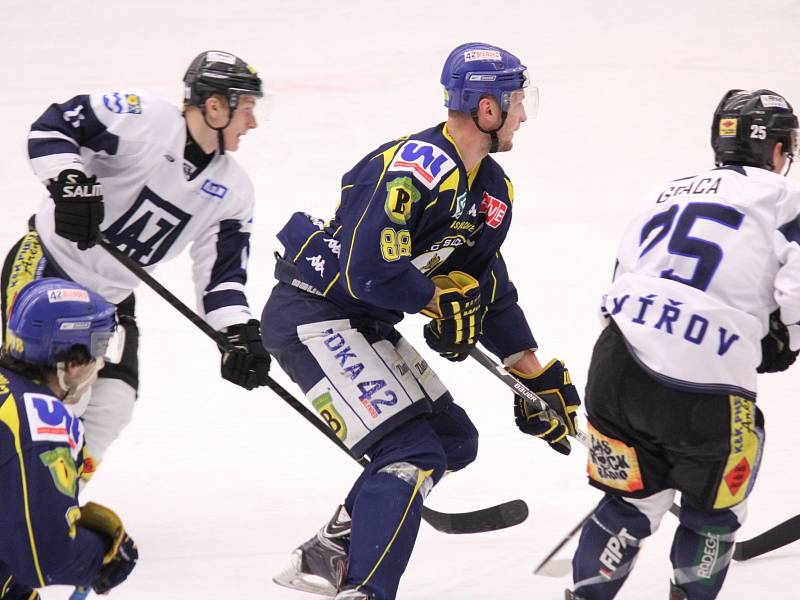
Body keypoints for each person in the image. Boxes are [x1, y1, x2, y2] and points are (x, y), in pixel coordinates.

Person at [262, 42, 581, 600]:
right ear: (487, 109)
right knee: (410, 453)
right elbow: (368, 270)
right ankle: (368, 589)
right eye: (516, 101)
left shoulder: (491, 189)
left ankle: (332, 548)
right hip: (314, 314)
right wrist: (435, 300)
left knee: (453, 440)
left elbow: (488, 282)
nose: (523, 115)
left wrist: (530, 368)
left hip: (362, 324)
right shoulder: (413, 168)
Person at [567, 89, 800, 600]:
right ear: (778, 150)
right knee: (715, 513)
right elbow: (795, 295)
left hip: (616, 368)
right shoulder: (787, 201)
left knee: (630, 501)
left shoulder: (663, 191)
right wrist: (785, 339)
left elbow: (618, 278)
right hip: (707, 387)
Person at [0, 50, 271, 472]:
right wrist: (69, 180)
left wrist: (237, 331)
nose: (252, 123)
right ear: (216, 106)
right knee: (40, 401)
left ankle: (54, 503)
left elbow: (220, 278)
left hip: (108, 300)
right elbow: (53, 127)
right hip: (46, 272)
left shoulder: (233, 190)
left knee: (111, 403)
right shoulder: (143, 117)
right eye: (247, 109)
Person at [0, 277, 138, 599]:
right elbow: (46, 555)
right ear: (72, 364)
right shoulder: (36, 419)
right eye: (99, 349)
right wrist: (101, 555)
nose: (102, 364)